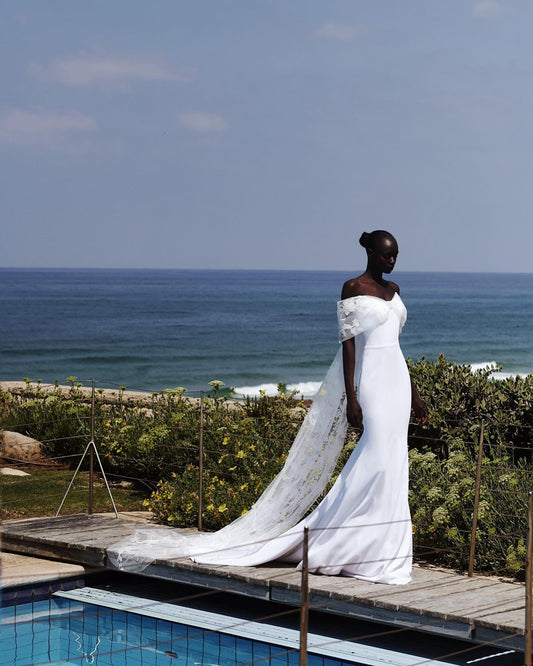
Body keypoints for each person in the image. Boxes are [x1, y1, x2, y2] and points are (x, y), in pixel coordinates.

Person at [108, 230, 426, 585]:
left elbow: (396, 348)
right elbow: (349, 349)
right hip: (371, 386)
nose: (392, 261)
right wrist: (351, 397)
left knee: (394, 464)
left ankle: (381, 545)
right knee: (377, 460)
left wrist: (415, 395)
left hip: (396, 382)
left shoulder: (394, 291)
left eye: (395, 255)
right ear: (370, 253)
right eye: (386, 255)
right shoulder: (352, 288)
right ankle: (339, 543)